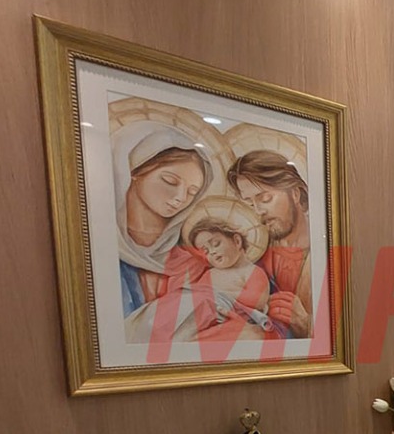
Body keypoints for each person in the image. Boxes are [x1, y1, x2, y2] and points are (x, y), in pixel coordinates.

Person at [115, 126, 214, 317]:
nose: (180, 198)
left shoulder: (193, 261)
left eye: (192, 192)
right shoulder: (99, 247)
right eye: (170, 181)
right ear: (136, 170)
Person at [227, 150, 313, 338]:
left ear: (295, 194)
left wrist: (307, 324)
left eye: (265, 198)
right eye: (250, 204)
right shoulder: (255, 253)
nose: (258, 211)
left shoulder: (326, 251)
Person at [184, 217, 273, 337]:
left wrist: (221, 294)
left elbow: (257, 300)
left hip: (233, 321)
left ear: (237, 241)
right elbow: (196, 296)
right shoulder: (210, 274)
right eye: (206, 251)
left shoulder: (251, 271)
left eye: (216, 244)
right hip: (205, 317)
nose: (212, 252)